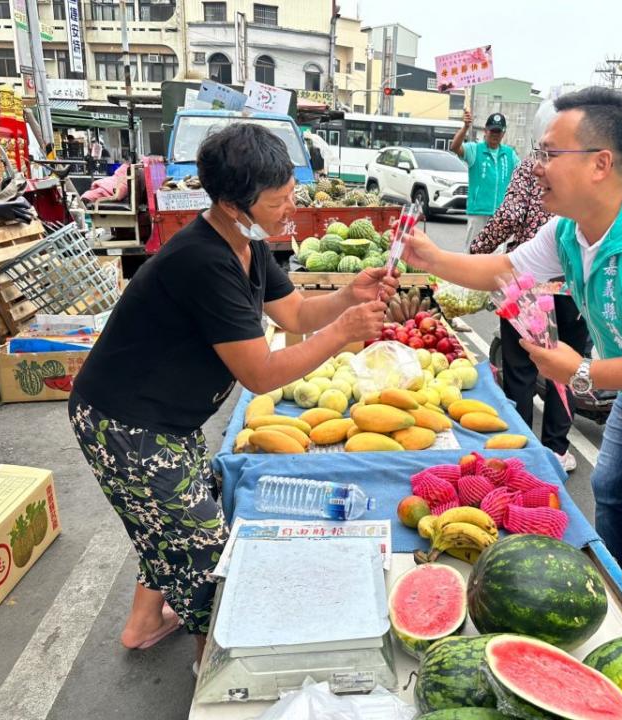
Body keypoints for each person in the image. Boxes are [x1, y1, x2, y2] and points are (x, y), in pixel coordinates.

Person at [399, 87, 622, 616]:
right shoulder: (569, 229)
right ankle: (615, 590)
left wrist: (583, 370)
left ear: (599, 164)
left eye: (548, 153)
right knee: (608, 486)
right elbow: (504, 271)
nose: (536, 166)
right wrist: (430, 256)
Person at [68, 123, 396, 669]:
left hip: (167, 420)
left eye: (291, 190)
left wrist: (345, 298)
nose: (291, 205)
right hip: (124, 425)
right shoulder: (204, 260)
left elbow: (292, 313)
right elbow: (262, 374)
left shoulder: (246, 242)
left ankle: (144, 623)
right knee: (199, 542)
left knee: (181, 511)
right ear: (231, 202)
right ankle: (211, 665)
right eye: (279, 199)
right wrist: (342, 333)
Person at [469, 100, 588, 473]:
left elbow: (508, 217)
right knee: (565, 369)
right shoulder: (591, 171)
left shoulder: (528, 168)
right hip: (575, 286)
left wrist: (478, 250)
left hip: (526, 285)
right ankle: (556, 448)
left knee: (520, 368)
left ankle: (520, 448)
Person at [452, 109, 520, 248]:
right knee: (474, 250)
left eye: (498, 131)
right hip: (478, 212)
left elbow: (522, 172)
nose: (495, 134)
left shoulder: (509, 154)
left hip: (500, 214)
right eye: (492, 131)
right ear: (485, 130)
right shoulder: (475, 149)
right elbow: (455, 147)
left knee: (497, 254)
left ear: (503, 133)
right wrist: (465, 127)